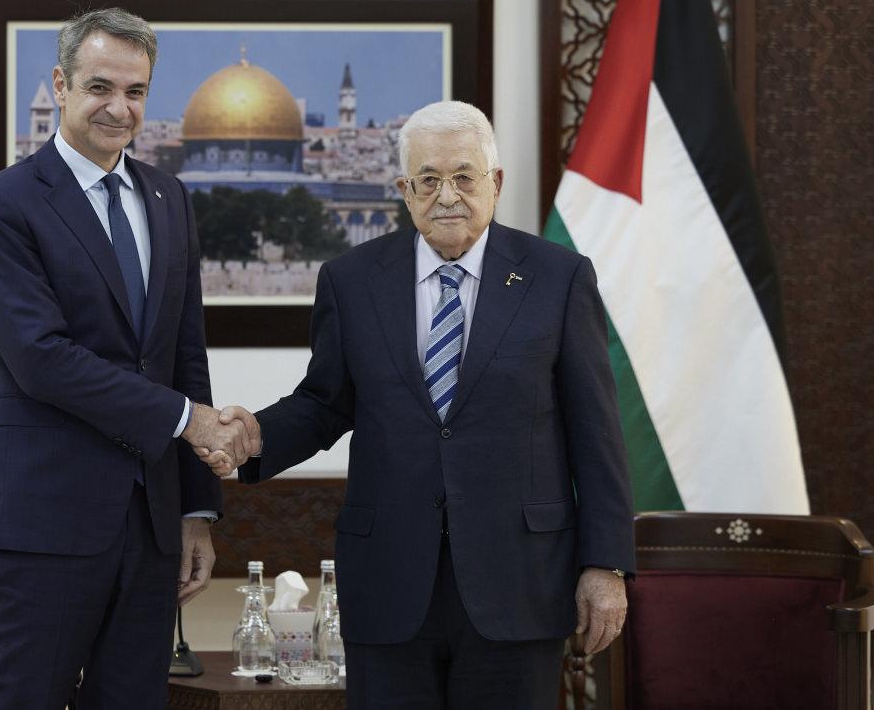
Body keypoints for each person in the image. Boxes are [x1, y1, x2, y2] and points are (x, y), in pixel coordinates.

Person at [209, 101, 634, 708]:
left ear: (496, 182)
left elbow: (597, 433)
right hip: (389, 580)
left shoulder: (558, 278)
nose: (447, 196)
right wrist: (253, 435)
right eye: (428, 180)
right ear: (404, 190)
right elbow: (325, 402)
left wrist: (605, 564)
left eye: (464, 177)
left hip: (519, 581)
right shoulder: (351, 279)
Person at [0, 8, 258, 709]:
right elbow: (41, 359)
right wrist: (188, 420)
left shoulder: (168, 197)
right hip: (44, 522)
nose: (119, 108)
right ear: (60, 85)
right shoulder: (1, 205)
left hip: (152, 525)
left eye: (135, 91)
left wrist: (197, 509)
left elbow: (184, 354)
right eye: (100, 87)